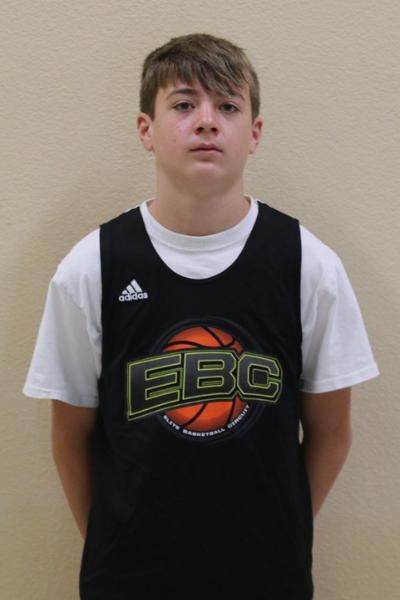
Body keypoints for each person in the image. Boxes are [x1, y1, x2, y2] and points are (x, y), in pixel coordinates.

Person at [24, 33, 379, 600]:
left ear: (254, 133)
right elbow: (70, 435)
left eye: (228, 106)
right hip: (128, 579)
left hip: (267, 577)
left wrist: (283, 531)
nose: (207, 121)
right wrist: (112, 542)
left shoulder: (308, 264)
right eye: (185, 104)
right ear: (146, 129)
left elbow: (332, 432)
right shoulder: (92, 266)